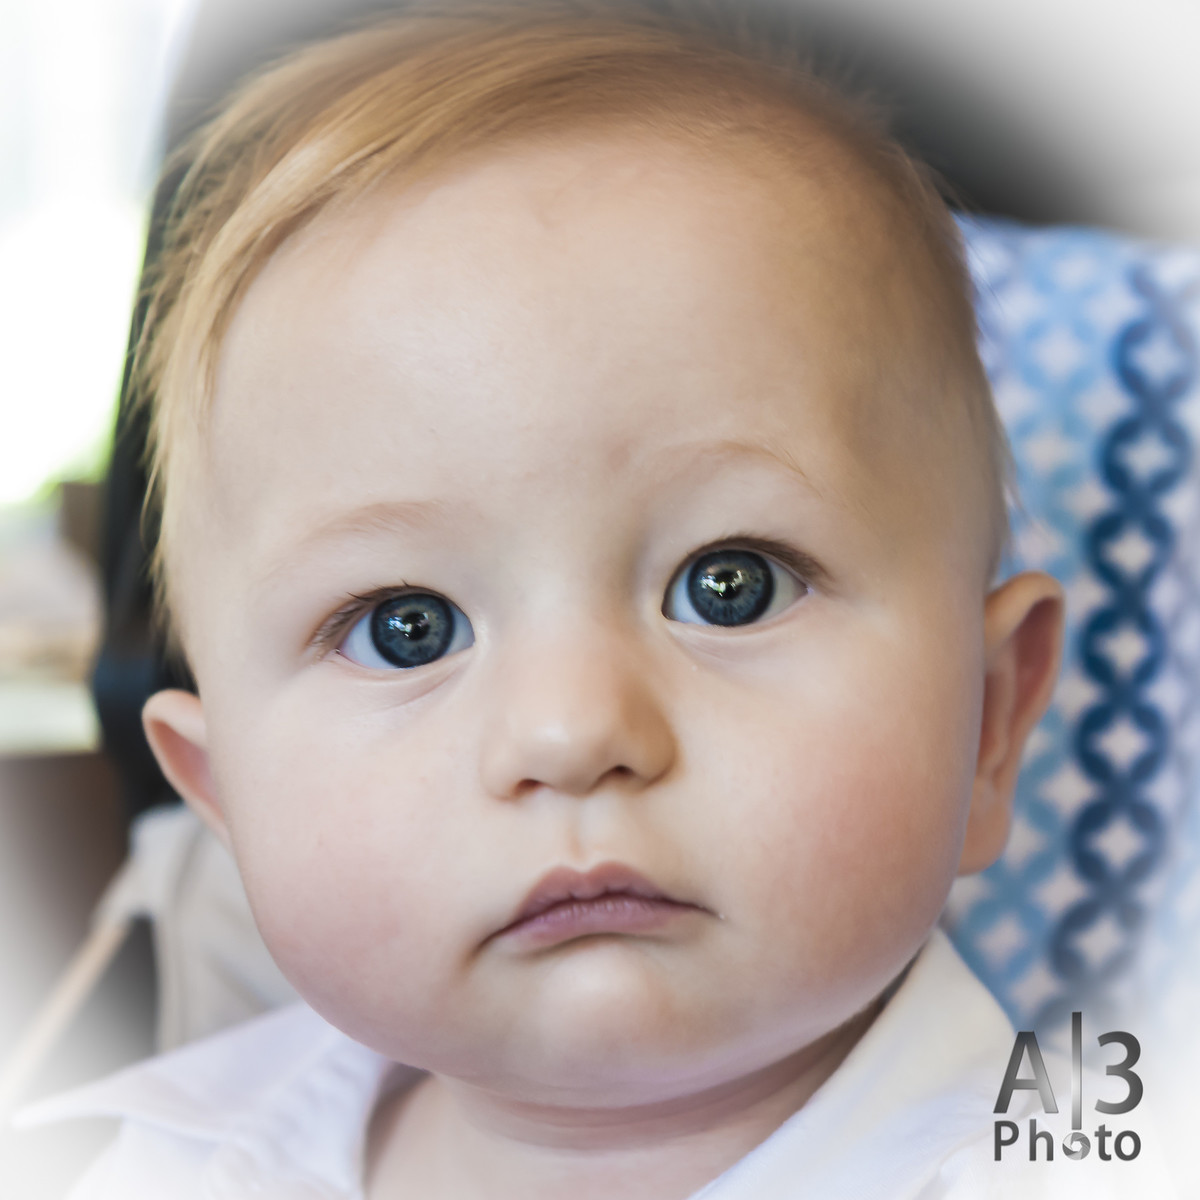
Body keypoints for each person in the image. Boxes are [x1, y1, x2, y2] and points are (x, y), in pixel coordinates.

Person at [15, 1, 1176, 1195]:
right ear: (224, 795)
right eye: (404, 628)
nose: (570, 735)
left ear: (990, 719)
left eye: (730, 587)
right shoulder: (138, 1157)